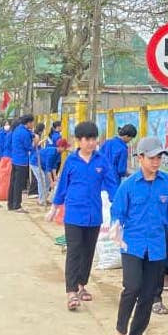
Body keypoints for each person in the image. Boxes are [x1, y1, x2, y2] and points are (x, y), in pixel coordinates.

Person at [106, 136, 168, 335]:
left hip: (157, 247)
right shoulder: (128, 185)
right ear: (140, 158)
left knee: (149, 294)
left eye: (159, 157)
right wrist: (116, 228)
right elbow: (118, 211)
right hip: (132, 245)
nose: (156, 162)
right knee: (132, 287)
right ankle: (120, 332)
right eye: (152, 157)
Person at [50, 121, 119, 311]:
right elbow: (62, 186)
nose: (90, 143)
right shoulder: (71, 162)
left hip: (94, 215)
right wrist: (54, 208)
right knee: (74, 251)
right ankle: (71, 292)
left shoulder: (101, 161)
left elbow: (112, 184)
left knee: (88, 252)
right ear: (78, 141)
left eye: (93, 139)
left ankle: (81, 285)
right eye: (87, 139)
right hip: (73, 214)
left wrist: (120, 206)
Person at [8, 115, 34, 211]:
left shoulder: (17, 130)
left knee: (13, 183)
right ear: (28, 123)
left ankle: (10, 204)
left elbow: (29, 134)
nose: (33, 125)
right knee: (18, 184)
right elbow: (28, 147)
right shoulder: (24, 133)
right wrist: (35, 144)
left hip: (15, 160)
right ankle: (17, 205)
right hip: (21, 161)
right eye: (32, 123)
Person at [29, 122, 50, 206]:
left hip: (40, 160)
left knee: (45, 180)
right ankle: (41, 199)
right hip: (35, 160)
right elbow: (33, 146)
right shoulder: (35, 136)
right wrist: (40, 142)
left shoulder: (37, 135)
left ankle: (43, 198)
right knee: (41, 180)